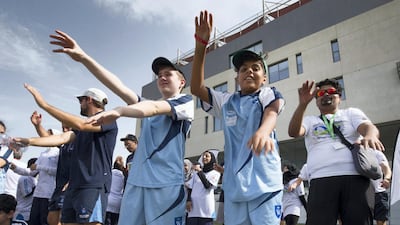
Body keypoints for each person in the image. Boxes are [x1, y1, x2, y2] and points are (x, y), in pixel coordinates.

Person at [49, 30, 193, 224]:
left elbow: (154, 108)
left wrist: (120, 111)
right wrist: (84, 58)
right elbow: (118, 86)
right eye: (159, 75)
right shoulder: (145, 104)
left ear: (182, 82)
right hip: (136, 185)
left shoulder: (185, 102)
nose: (162, 77)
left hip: (165, 186)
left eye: (168, 74)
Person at [191, 11, 285, 225]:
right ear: (237, 77)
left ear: (264, 78)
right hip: (234, 188)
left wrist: (262, 132)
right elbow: (196, 87)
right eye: (243, 69)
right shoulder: (226, 101)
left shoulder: (268, 93)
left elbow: (272, 112)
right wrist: (201, 46)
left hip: (265, 185)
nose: (249, 71)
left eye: (256, 68)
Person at [15, 84, 118, 225]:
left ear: (88, 99)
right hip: (74, 186)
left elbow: (81, 125)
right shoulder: (80, 128)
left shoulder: (108, 118)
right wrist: (28, 141)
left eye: (80, 101)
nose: (80, 105)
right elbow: (61, 138)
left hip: (93, 184)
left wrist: (44, 105)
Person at [288, 79, 385, 225]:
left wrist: (370, 135)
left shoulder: (351, 113)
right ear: (316, 100)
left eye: (331, 92)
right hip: (321, 179)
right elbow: (294, 132)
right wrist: (302, 105)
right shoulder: (310, 120)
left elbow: (368, 127)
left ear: (339, 97)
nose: (326, 94)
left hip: (355, 178)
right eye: (321, 93)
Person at [12, 112, 60, 225]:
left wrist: (40, 167)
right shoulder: (43, 153)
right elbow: (31, 172)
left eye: (48, 134)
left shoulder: (58, 153)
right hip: (38, 194)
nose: (44, 136)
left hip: (49, 194)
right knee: (34, 222)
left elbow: (57, 172)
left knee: (45, 222)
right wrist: (13, 167)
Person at [29, 111, 74, 225]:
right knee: (51, 220)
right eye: (63, 128)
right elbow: (46, 138)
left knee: (62, 219)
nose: (64, 131)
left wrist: (71, 181)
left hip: (71, 187)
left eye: (67, 128)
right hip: (57, 187)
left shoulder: (78, 142)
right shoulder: (62, 146)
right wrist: (38, 125)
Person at [186, 150, 221, 225]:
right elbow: (190, 187)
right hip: (193, 208)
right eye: (203, 156)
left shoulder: (215, 173)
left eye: (207, 156)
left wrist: (200, 171)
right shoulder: (196, 173)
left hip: (206, 209)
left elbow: (207, 186)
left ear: (212, 159)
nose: (204, 157)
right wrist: (188, 200)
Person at [14, 158, 37, 223]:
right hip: (23, 212)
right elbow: (26, 193)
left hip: (30, 212)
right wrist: (39, 187)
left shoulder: (34, 179)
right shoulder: (25, 177)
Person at [372, 151, 392, 225]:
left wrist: (387, 178)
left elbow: (386, 168)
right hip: (361, 193)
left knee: (381, 220)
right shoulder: (354, 151)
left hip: (378, 192)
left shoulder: (377, 153)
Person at [105, 156, 125, 225]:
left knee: (106, 221)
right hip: (118, 202)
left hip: (108, 200)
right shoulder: (123, 175)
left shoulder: (110, 173)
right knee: (115, 221)